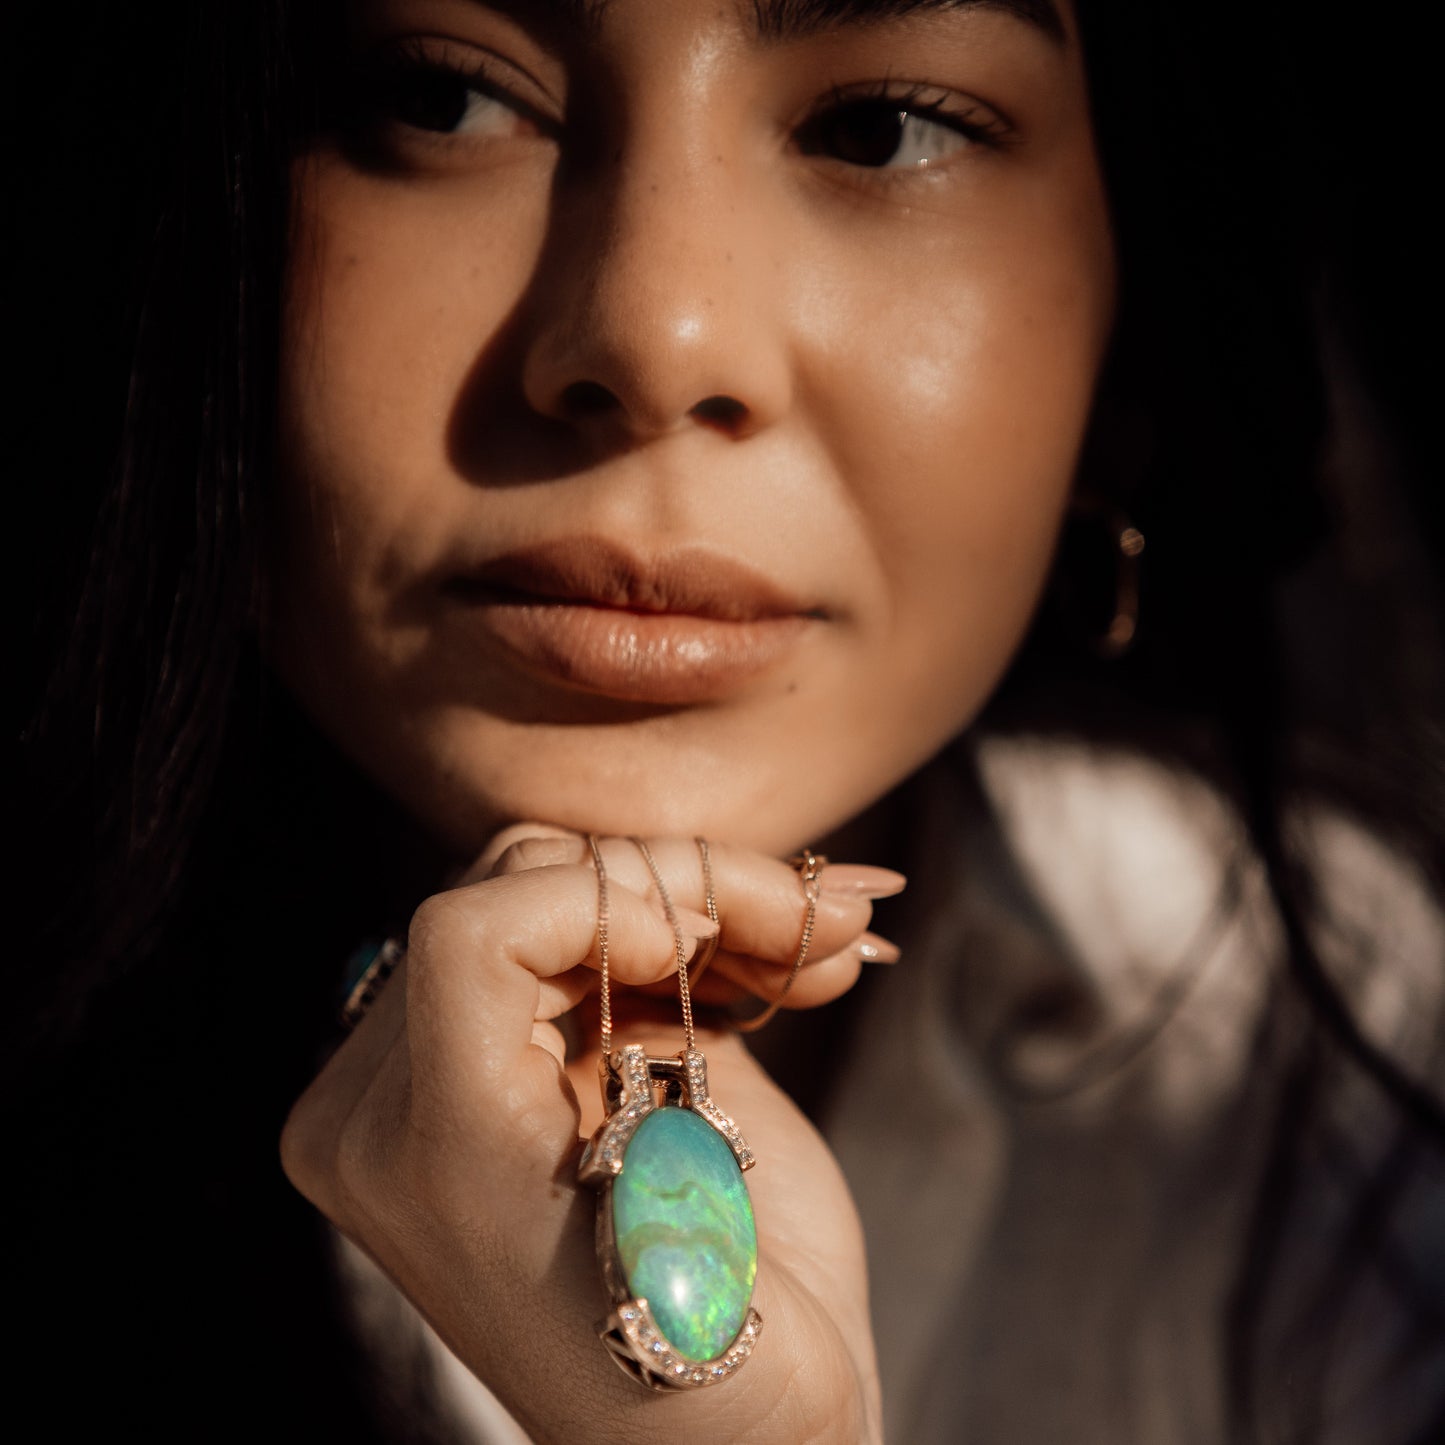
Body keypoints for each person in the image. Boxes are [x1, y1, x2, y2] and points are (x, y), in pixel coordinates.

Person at [12, 0, 1443, 1441]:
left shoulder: (1354, 1091)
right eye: (443, 99)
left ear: (1134, 313)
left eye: (880, 127)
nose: (654, 334)